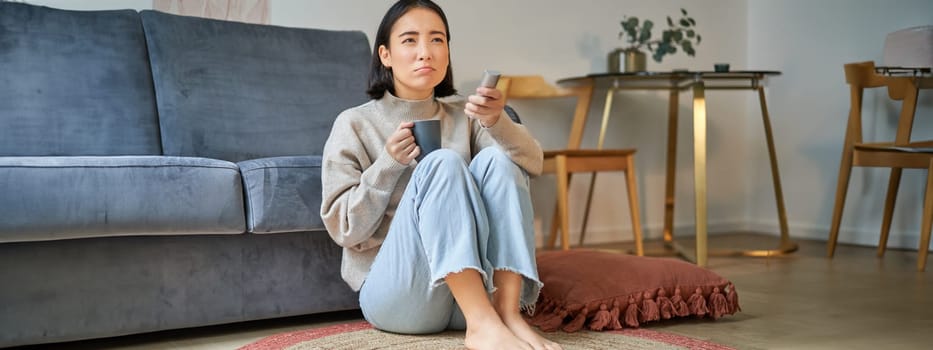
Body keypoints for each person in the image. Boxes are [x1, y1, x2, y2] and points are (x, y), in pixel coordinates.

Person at [320, 1, 560, 349]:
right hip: (400, 299)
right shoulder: (354, 123)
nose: (425, 53)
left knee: (499, 159)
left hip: (476, 293)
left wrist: (497, 121)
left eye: (436, 40)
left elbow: (533, 163)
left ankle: (508, 315)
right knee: (442, 163)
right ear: (385, 55)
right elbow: (344, 229)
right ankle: (482, 326)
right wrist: (387, 164)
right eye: (409, 40)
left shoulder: (466, 115)